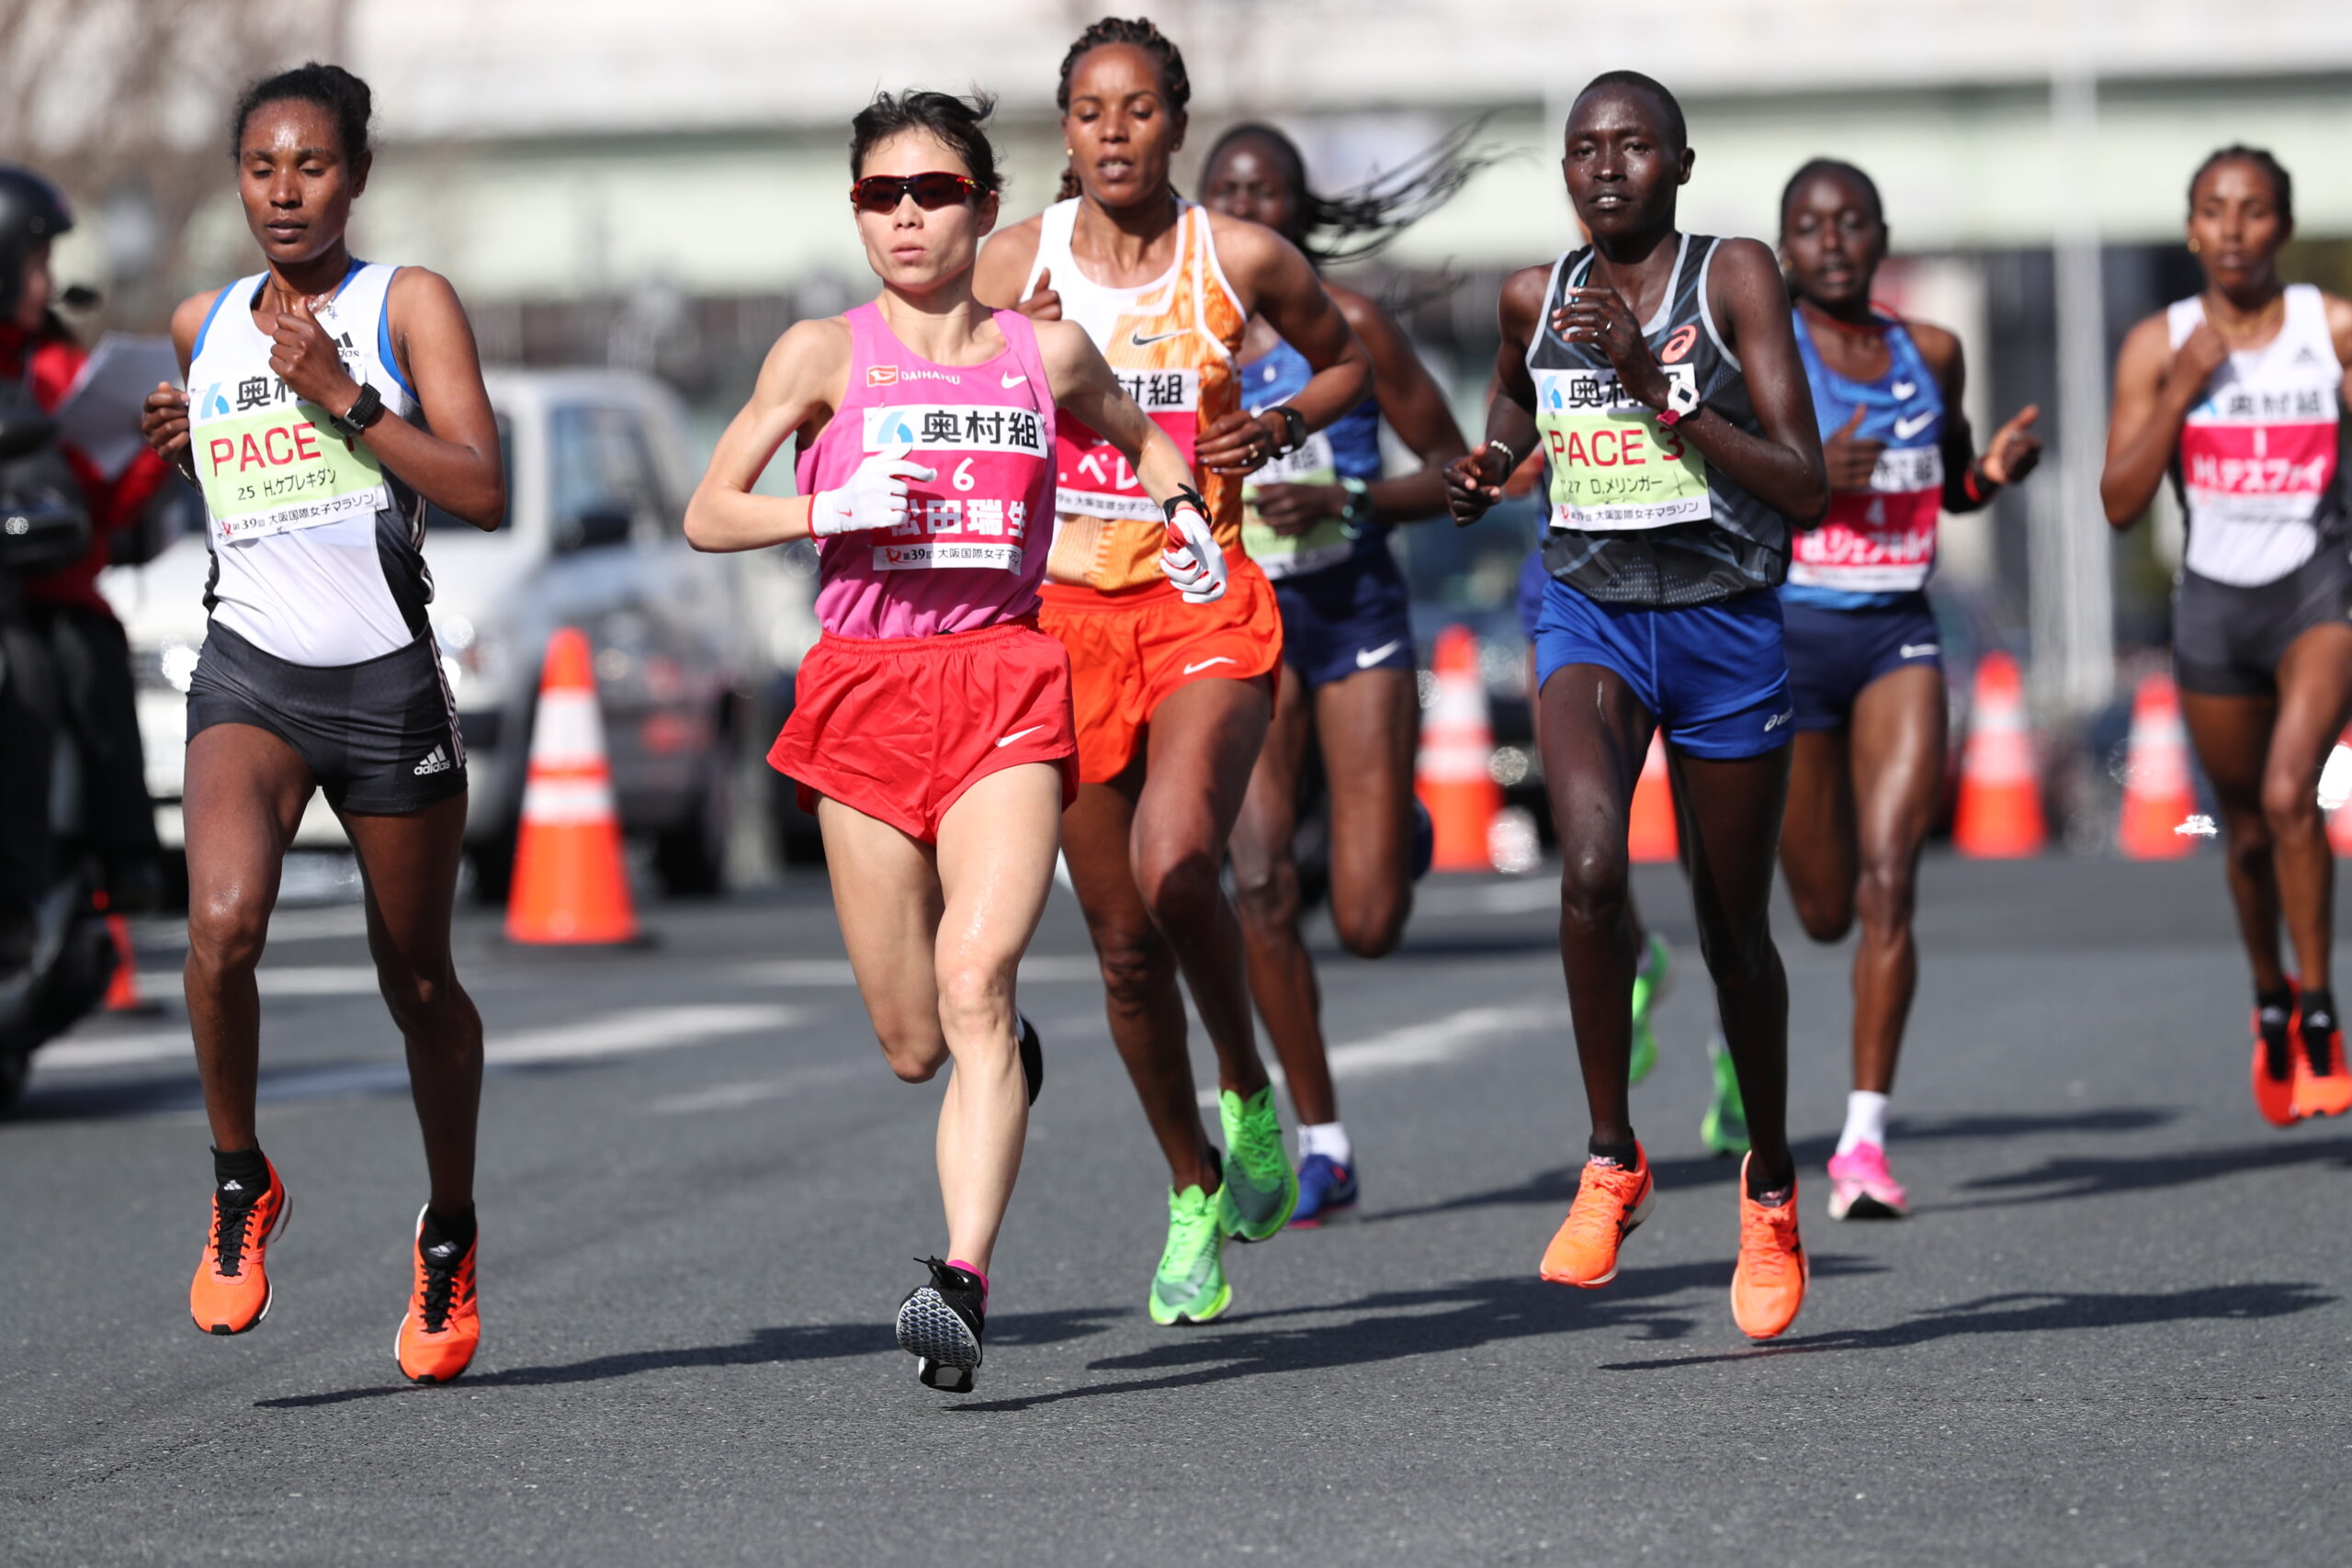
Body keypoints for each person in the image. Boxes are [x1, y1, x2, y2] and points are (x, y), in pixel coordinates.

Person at [686, 91, 1215, 1393]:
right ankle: (996, 1062)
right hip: (864, 693)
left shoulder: (1048, 354)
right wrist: (829, 498)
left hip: (1005, 685)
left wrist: (1185, 509)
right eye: (880, 195)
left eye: (933, 192)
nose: (907, 216)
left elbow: (1143, 438)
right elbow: (708, 509)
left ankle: (960, 1279)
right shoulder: (823, 353)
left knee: (978, 977)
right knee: (915, 1038)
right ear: (858, 214)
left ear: (984, 206)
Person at [975, 16, 1372, 1325]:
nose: (1112, 133)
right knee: (1124, 952)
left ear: (1176, 125)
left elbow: (1348, 355)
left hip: (1201, 595)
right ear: (1066, 131)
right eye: (1089, 112)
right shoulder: (1009, 264)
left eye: (1137, 110)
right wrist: (1002, 361)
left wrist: (1284, 417)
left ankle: (1249, 1087)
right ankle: (1195, 1180)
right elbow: (926, 389)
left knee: (1179, 858)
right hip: (1059, 622)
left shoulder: (1238, 254)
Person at [1445, 72, 1828, 1340]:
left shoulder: (1735, 279)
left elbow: (1806, 480)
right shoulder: (1535, 294)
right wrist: (1493, 457)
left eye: (1633, 147)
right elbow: (1514, 388)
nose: (1606, 167)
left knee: (1733, 938)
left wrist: (1662, 390)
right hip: (1590, 610)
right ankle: (1612, 1155)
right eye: (1584, 150)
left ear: (1679, 162)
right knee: (1594, 866)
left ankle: (1770, 1184)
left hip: (1723, 622)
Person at [139, 64, 505, 1382]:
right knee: (221, 926)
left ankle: (449, 1230)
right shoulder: (204, 317)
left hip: (385, 683)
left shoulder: (404, 303)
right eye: (260, 168)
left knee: (417, 982)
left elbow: (484, 487)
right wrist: (188, 440)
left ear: (355, 174)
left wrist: (348, 395)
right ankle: (241, 1178)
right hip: (250, 673)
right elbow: (237, 476)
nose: (284, 192)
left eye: (311, 166)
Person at [1200, 120, 1477, 1225]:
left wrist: (1346, 502)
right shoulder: (1182, 338)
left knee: (1365, 920)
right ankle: (1321, 1141)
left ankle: (1387, 820)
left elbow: (1464, 472)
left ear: (1301, 218)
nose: (1249, 210)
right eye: (1227, 193)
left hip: (1353, 611)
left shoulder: (1351, 329)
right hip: (1240, 625)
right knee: (1260, 884)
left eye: (1268, 194)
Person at [1775, 159, 2041, 1217]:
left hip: (1897, 633)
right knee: (1825, 906)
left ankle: (1862, 1143)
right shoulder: (1764, 356)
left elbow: (1958, 483)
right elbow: (1709, 490)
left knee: (1891, 885)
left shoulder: (1929, 351)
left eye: (1851, 224)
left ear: (1880, 239)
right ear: (1783, 246)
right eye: (1809, 226)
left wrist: (1992, 478)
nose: (1831, 242)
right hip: (1788, 638)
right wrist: (1804, 482)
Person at [2101, 146, 2352, 1127]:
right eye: (2215, 210)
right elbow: (2119, 502)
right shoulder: (2158, 343)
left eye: (2254, 211)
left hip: (2314, 594)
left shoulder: (2327, 331)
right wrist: (2179, 391)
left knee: (2294, 796)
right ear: (2192, 228)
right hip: (2211, 604)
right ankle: (2270, 1000)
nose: (2235, 229)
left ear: (2282, 227)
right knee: (2244, 832)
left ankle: (2323, 1014)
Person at [0, 167, 174, 972]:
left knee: (68, 658)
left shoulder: (52, 360)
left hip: (45, 587)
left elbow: (92, 497)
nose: (49, 281)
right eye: (36, 262)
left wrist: (151, 445)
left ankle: (102, 862)